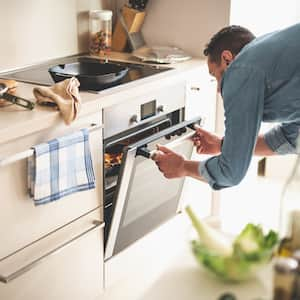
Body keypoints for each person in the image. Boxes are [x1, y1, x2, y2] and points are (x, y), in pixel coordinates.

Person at [153, 23, 300, 190]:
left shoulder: (240, 69)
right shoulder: (274, 63)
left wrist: (183, 167)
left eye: (215, 75)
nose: (218, 89)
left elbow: (230, 172)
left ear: (227, 59)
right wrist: (223, 145)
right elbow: (289, 138)